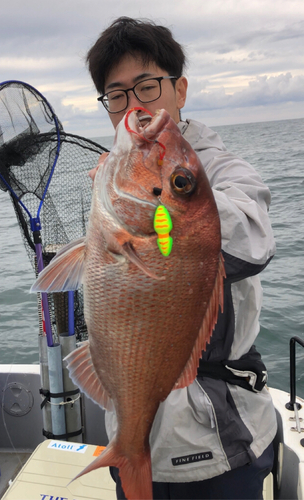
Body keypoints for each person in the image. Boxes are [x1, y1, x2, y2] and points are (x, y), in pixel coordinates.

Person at [86, 17, 277, 500]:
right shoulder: (119, 181)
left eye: (147, 86)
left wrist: (178, 192)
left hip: (222, 442)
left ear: (180, 89)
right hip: (134, 431)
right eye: (117, 95)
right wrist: (126, 199)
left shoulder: (222, 170)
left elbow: (252, 243)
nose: (134, 104)